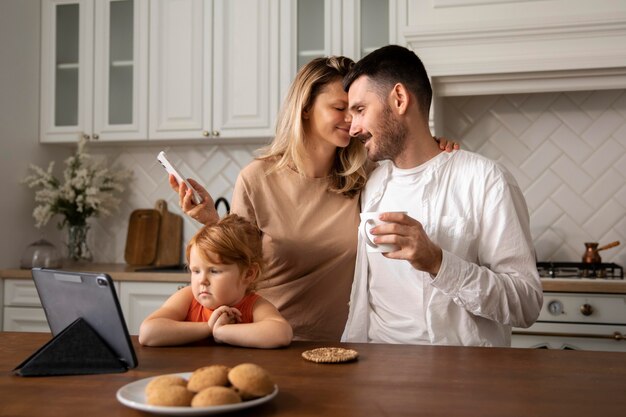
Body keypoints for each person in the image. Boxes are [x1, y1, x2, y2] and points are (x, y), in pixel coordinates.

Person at [171, 57, 458, 341]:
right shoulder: (257, 179)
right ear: (306, 108)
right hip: (269, 340)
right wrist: (211, 221)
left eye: (357, 109)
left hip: (344, 345)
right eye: (339, 108)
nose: (352, 120)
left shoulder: (365, 176)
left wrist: (432, 147)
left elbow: (413, 162)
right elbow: (239, 267)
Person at [341, 45, 543, 347]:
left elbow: (525, 303)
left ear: (399, 99)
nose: (352, 127)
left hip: (464, 380)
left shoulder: (486, 180)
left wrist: (438, 262)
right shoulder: (371, 185)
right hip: (380, 376)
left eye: (360, 110)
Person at [138, 214, 293, 348]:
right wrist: (209, 328)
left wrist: (223, 332)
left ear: (248, 274)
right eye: (196, 271)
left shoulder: (254, 305)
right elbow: (148, 333)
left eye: (214, 271)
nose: (202, 281)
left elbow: (281, 334)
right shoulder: (187, 298)